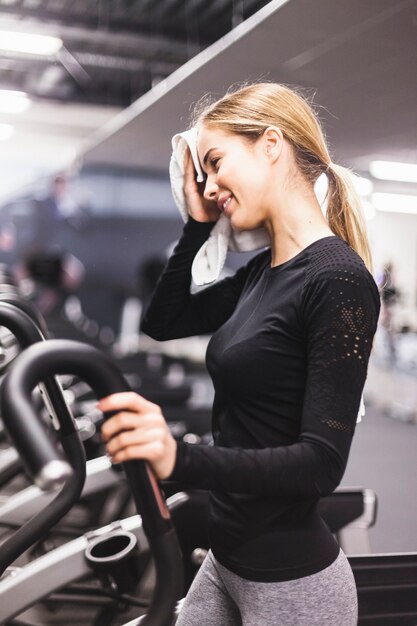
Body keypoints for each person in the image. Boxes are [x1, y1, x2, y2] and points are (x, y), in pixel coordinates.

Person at [98, 82, 381, 625]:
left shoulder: (337, 280)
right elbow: (165, 321)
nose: (208, 184)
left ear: (271, 145)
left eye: (215, 161)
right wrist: (198, 224)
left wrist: (180, 458)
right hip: (227, 558)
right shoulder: (261, 272)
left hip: (294, 586)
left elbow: (321, 465)